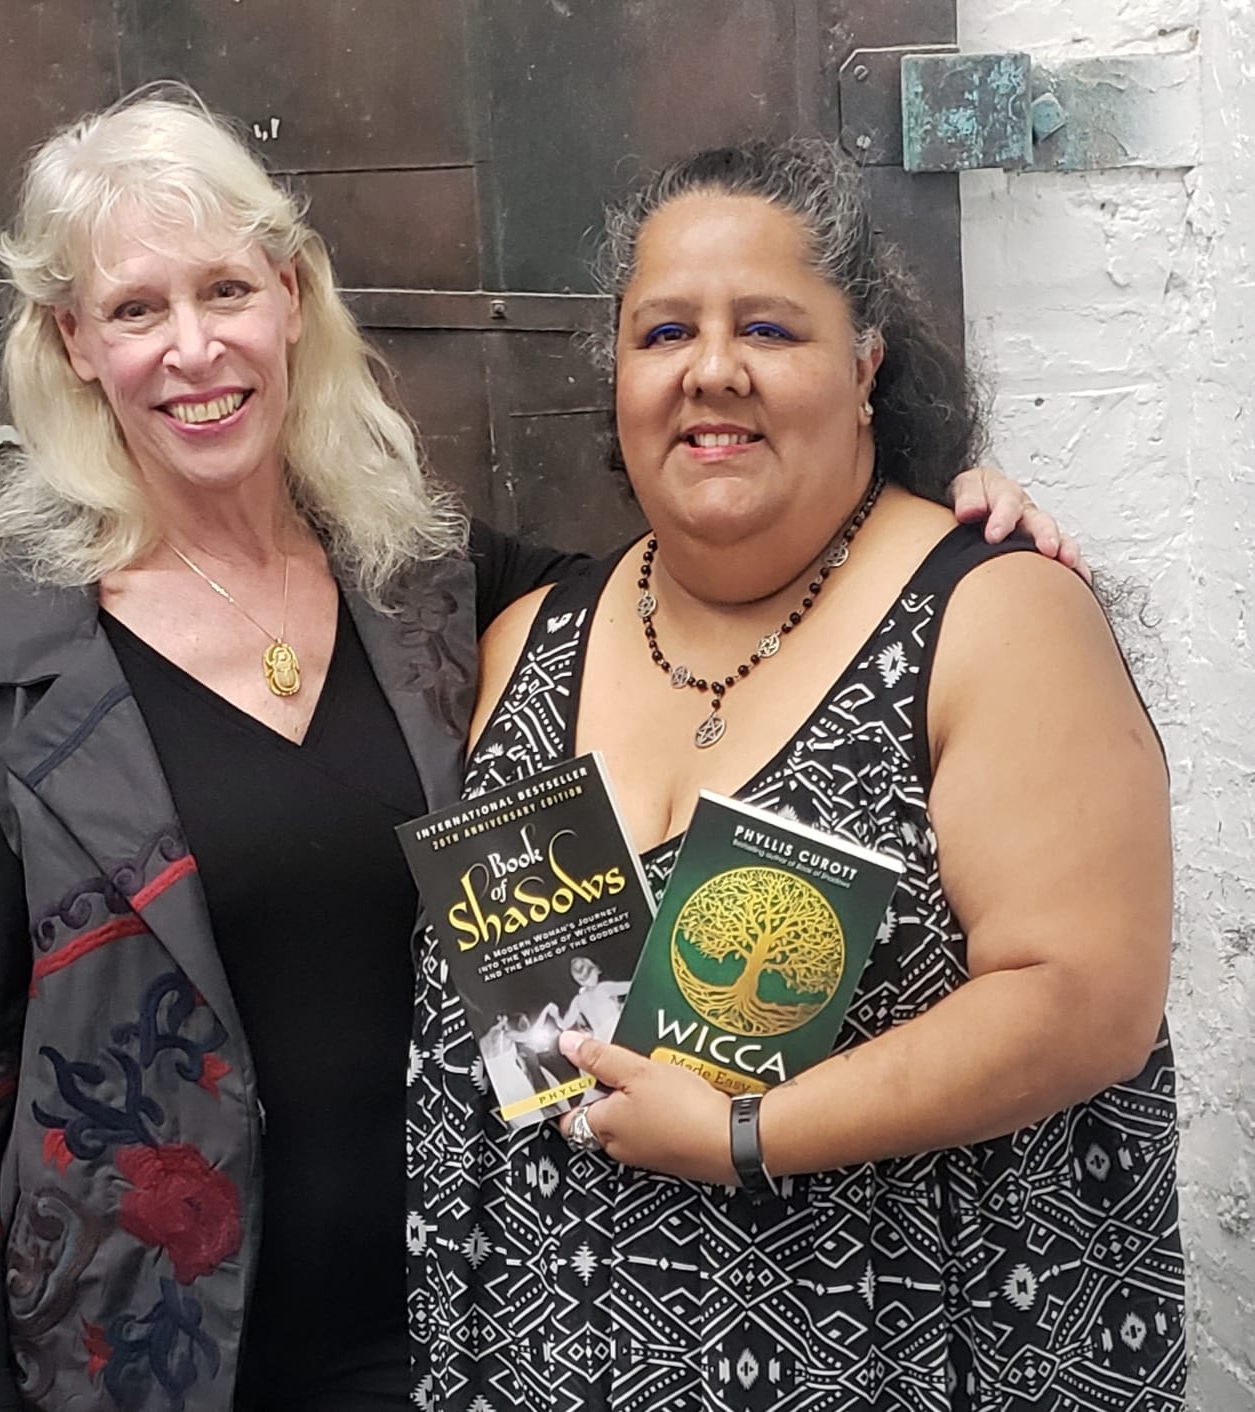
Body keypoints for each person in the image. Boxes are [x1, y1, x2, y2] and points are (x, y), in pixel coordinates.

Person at [0, 86, 1076, 1412]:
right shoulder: (3, 673)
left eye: (226, 290)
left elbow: (742, 561)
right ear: (72, 344)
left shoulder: (449, 597)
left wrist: (938, 523)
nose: (192, 349)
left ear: (291, 299)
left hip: (483, 1334)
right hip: (157, 1357)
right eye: (134, 310)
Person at [408, 140, 1183, 1412]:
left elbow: (1082, 997)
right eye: (664, 331)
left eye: (766, 324)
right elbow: (527, 1030)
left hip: (894, 1351)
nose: (712, 368)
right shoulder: (530, 635)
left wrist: (745, 1135)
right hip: (552, 1354)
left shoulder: (990, 618)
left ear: (863, 361)